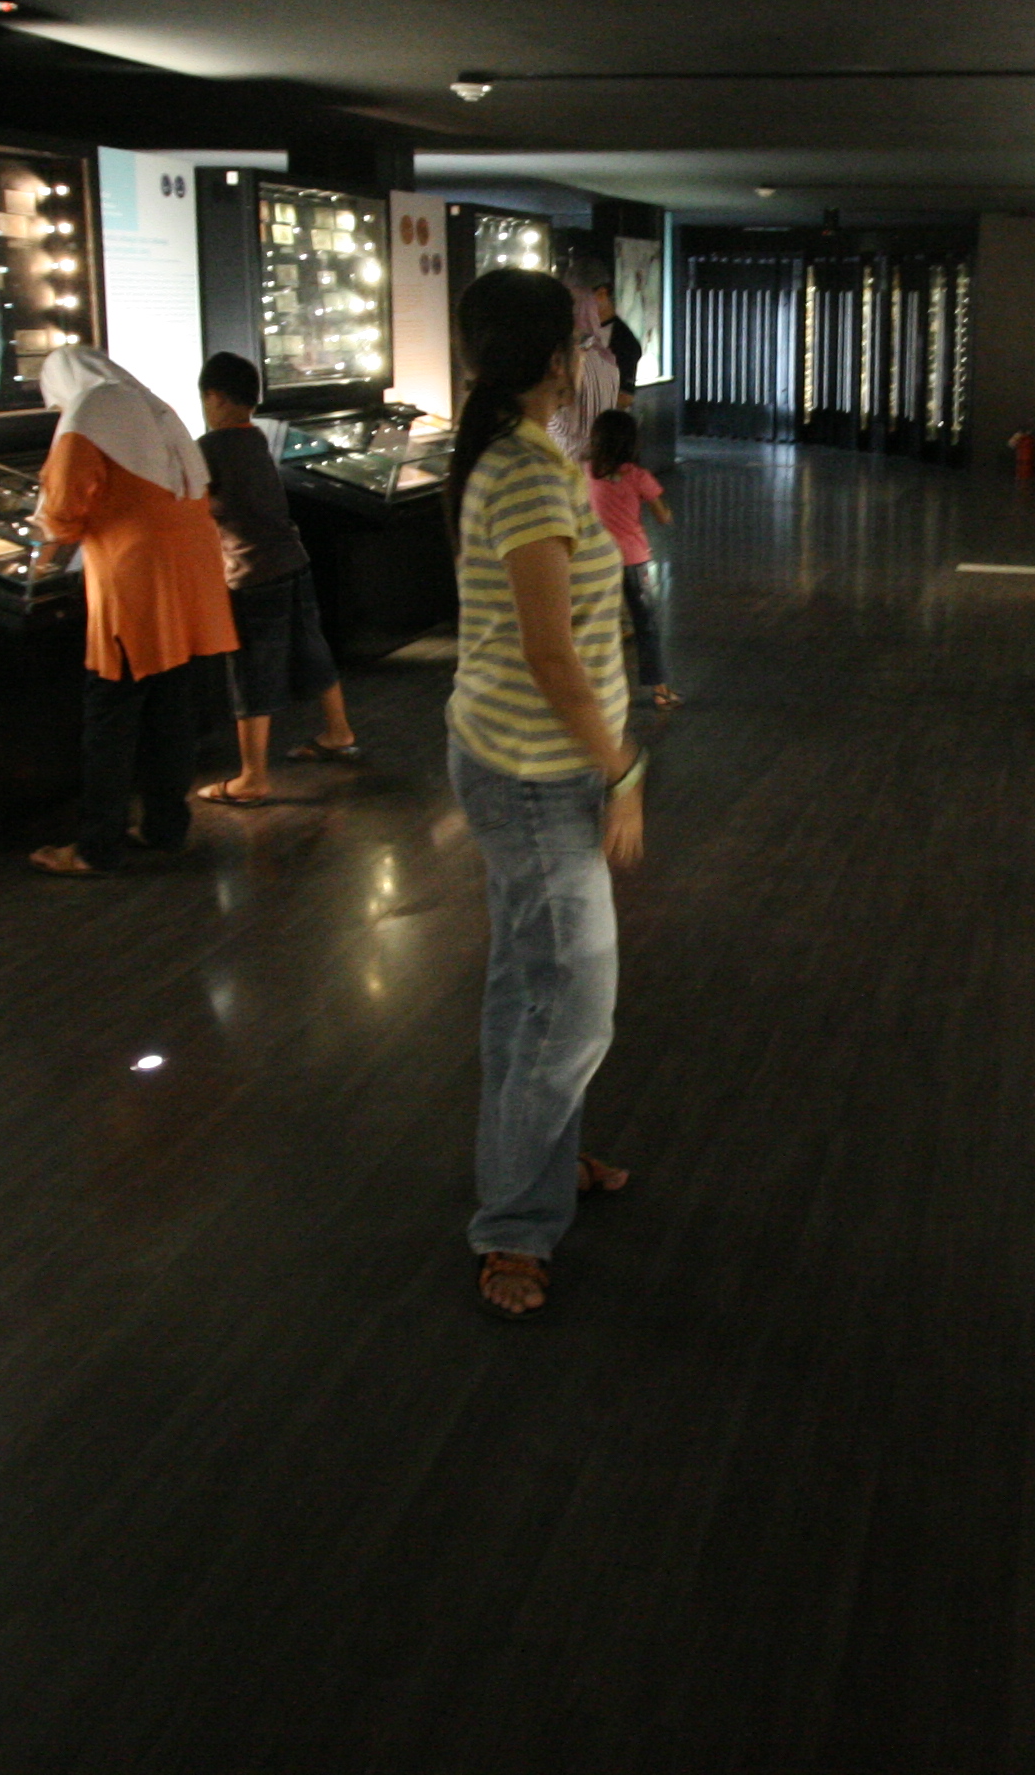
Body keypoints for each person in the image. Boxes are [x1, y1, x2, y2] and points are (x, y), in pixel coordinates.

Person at [448, 267, 644, 1320]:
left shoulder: (521, 457)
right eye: (575, 341)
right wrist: (623, 770)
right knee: (572, 1007)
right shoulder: (524, 474)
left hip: (520, 760)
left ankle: (537, 1158)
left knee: (529, 989)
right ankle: (515, 1226)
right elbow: (549, 652)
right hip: (536, 777)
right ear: (557, 361)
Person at [27, 345, 239, 876]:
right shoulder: (150, 404)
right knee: (171, 709)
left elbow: (62, 506)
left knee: (111, 716)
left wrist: (42, 553)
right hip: (189, 578)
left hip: (135, 583)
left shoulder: (87, 411)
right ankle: (166, 827)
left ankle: (96, 847)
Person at [191, 351, 364, 806]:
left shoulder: (210, 448)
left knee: (252, 671)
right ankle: (338, 731)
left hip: (252, 573)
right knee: (312, 648)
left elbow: (194, 507)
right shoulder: (254, 438)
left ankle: (252, 778)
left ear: (216, 397)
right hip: (291, 560)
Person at [587, 406, 677, 710]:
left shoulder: (586, 472)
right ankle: (660, 690)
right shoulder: (639, 477)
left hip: (597, 559)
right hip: (633, 559)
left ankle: (594, 688)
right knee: (645, 624)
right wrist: (666, 513)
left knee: (598, 624)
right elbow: (663, 516)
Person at [547, 275, 624, 458]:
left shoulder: (567, 362)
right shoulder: (608, 360)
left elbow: (565, 426)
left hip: (568, 458)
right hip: (598, 457)